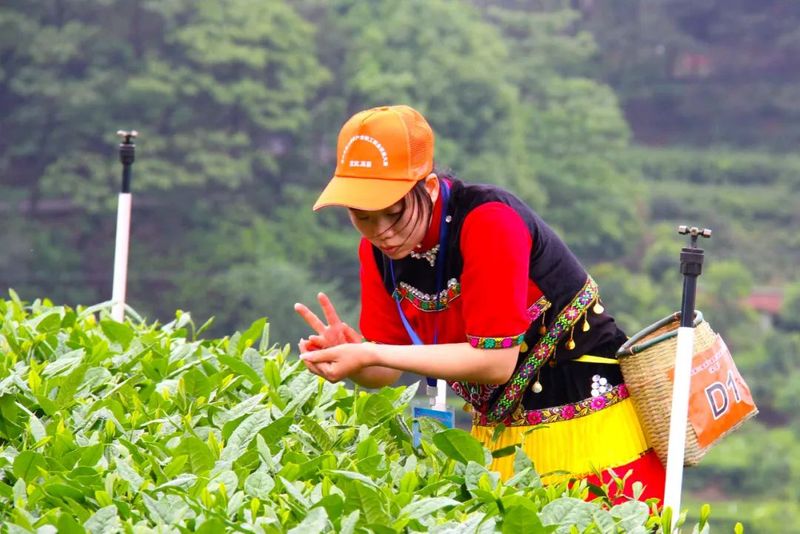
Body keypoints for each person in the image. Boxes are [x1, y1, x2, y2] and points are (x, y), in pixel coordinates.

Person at [294, 104, 665, 504]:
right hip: (500, 435)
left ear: (430, 188)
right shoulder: (377, 253)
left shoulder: (489, 221)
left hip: (588, 424)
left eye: (395, 212)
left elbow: (495, 363)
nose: (383, 232)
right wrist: (353, 357)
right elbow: (386, 369)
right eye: (363, 217)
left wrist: (371, 351)